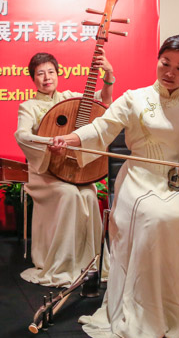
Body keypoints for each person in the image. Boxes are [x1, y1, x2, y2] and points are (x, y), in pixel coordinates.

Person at [49, 35, 179, 338]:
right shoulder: (134, 99)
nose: (171, 72)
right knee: (153, 218)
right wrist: (68, 139)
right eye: (166, 63)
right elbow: (101, 129)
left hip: (178, 183)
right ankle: (143, 311)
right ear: (157, 59)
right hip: (139, 180)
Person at [14, 51, 114, 287]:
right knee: (69, 195)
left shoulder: (70, 98)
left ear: (58, 74)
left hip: (73, 172)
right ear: (33, 78)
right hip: (45, 173)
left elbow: (104, 100)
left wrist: (108, 73)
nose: (46, 77)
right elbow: (22, 135)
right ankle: (61, 262)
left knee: (89, 196)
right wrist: (49, 145)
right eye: (40, 73)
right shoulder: (28, 106)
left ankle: (88, 262)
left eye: (50, 72)